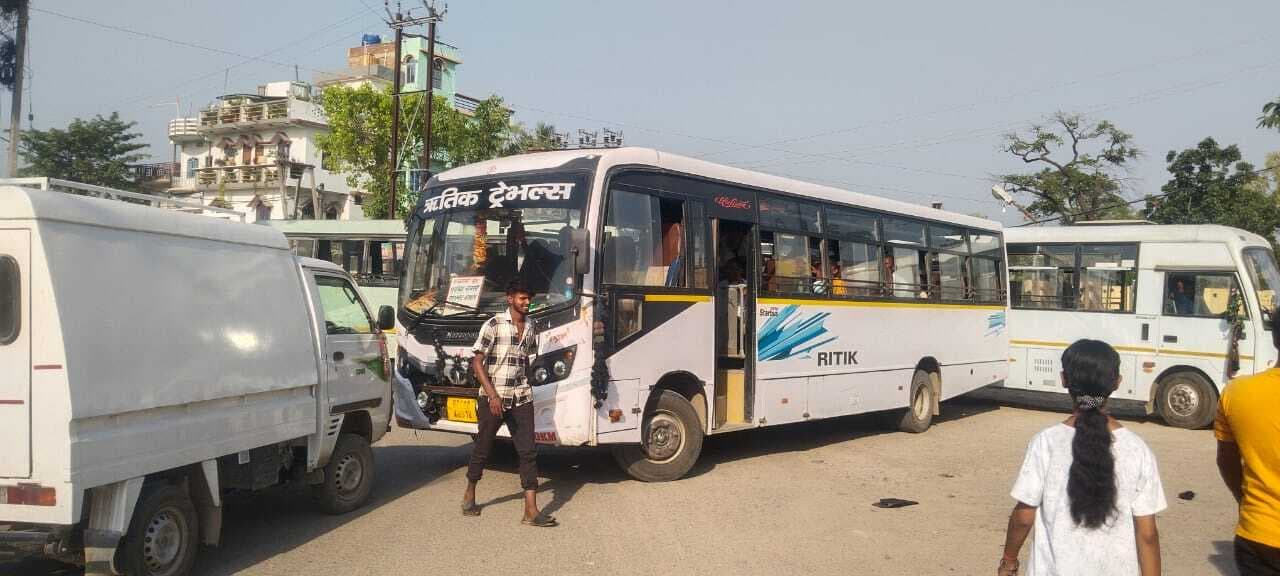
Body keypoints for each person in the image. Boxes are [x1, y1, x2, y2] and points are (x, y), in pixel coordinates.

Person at [998, 339, 1166, 575]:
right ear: (1117, 382)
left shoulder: (1046, 442)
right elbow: (1147, 535)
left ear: (1064, 379)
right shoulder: (1138, 450)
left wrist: (1009, 560)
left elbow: (1024, 516)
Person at [461, 280, 558, 527]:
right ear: (510, 298)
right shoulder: (493, 325)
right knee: (483, 447)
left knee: (528, 452)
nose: (526, 303)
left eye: (528, 299)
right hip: (494, 398)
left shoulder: (531, 327)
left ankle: (530, 511)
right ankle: (470, 491)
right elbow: (477, 363)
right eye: (522, 298)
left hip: (522, 397)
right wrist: (492, 395)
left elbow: (527, 358)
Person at [1216, 312, 1280, 574]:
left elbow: (1226, 461)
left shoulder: (1237, 393)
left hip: (1258, 534)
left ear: (1275, 337)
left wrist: (1244, 499)